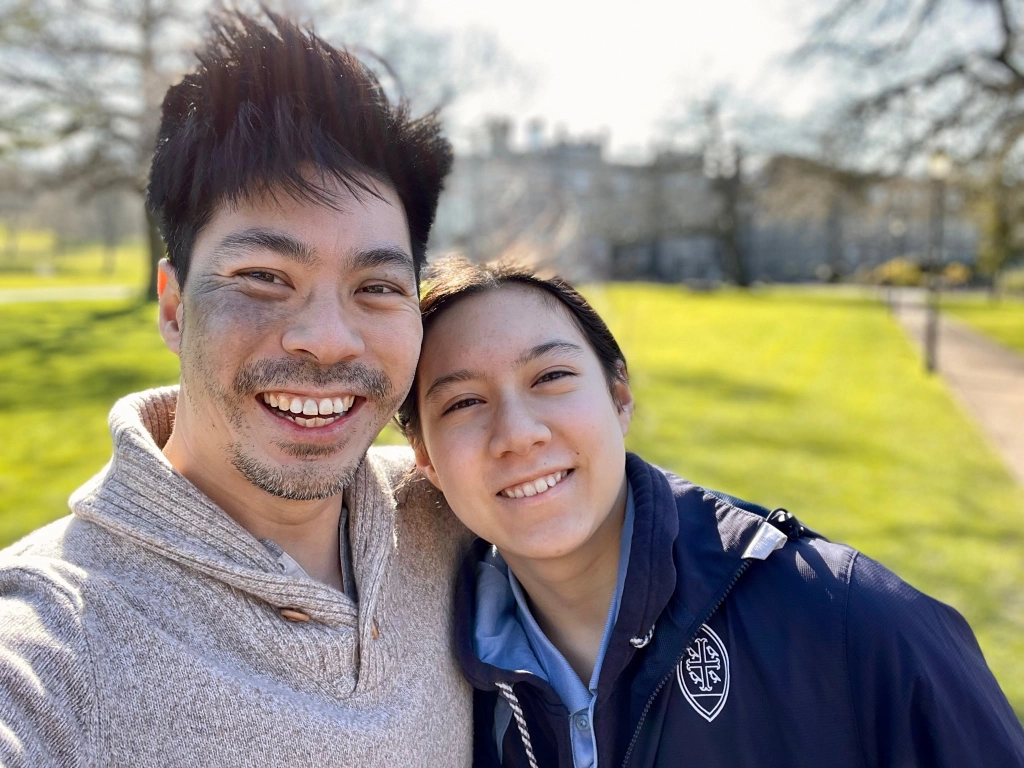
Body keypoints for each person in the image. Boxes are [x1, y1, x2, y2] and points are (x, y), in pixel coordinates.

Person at [0, 12, 473, 766]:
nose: (327, 338)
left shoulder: (459, 515)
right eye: (264, 278)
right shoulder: (53, 648)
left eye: (376, 286)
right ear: (174, 305)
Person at [397, 256, 1024, 768]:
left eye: (551, 376)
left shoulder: (849, 621)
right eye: (463, 403)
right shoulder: (435, 681)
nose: (518, 432)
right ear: (423, 457)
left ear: (620, 398)